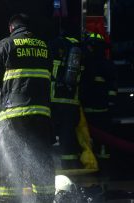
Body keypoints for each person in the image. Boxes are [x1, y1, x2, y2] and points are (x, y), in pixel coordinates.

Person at [0, 13, 55, 202]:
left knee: (12, 159)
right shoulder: (45, 47)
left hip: (13, 114)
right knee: (41, 156)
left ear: (11, 28)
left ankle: (9, 198)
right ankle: (46, 197)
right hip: (41, 113)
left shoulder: (5, 45)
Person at [80, 32, 118, 158]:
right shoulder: (106, 64)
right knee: (102, 138)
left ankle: (97, 157)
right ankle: (102, 158)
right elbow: (112, 86)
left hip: (91, 110)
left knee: (91, 137)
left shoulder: (85, 63)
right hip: (102, 110)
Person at [49, 33, 83, 168]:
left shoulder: (52, 50)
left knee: (47, 138)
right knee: (68, 141)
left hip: (53, 103)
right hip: (71, 105)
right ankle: (71, 173)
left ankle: (46, 171)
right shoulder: (78, 53)